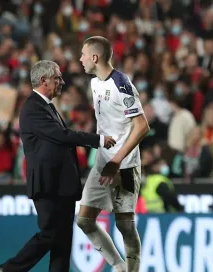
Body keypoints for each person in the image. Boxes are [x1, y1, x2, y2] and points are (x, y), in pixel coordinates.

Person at [0, 60, 116, 272]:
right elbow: (61, 136)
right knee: (49, 234)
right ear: (44, 81)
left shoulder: (47, 106)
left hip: (62, 186)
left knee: (62, 241)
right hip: (47, 184)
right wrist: (97, 140)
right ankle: (8, 270)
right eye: (57, 78)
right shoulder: (33, 107)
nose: (61, 82)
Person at [77, 36, 150, 272]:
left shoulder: (122, 84)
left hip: (125, 165)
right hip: (102, 161)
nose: (80, 59)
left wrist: (117, 162)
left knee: (125, 225)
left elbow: (142, 126)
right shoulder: (94, 83)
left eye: (83, 55)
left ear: (95, 58)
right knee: (84, 220)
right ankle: (119, 266)